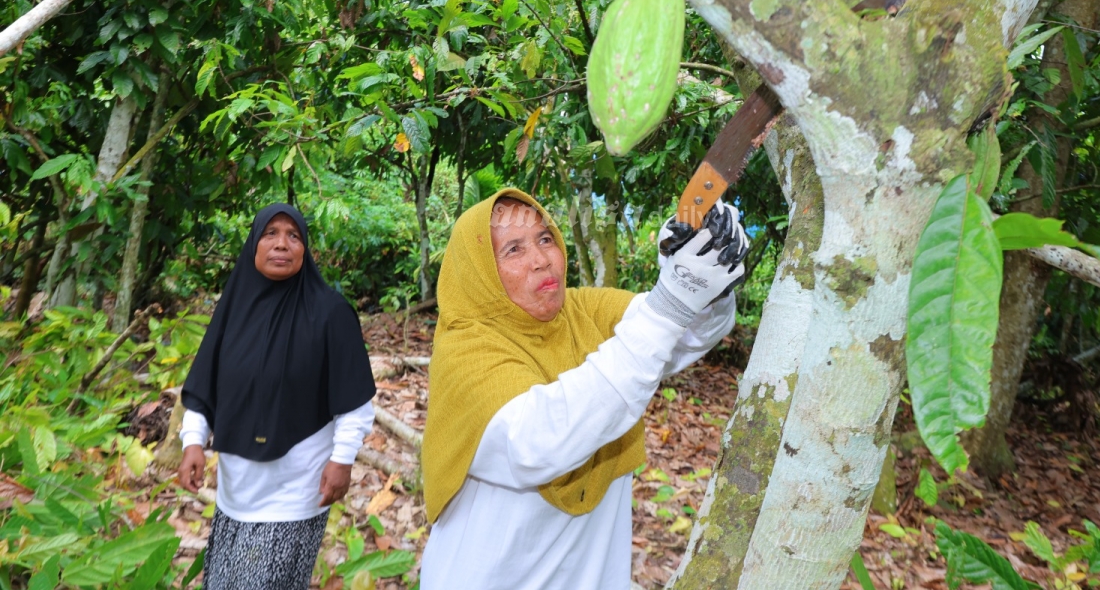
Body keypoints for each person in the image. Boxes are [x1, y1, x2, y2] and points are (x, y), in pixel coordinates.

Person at [420, 188, 748, 590]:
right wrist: (673, 300)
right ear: (480, 272)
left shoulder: (580, 312)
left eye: (545, 239)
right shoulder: (465, 348)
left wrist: (708, 283)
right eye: (513, 250)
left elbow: (678, 338)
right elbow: (542, 440)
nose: (541, 260)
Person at [177, 203, 377, 590]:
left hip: (294, 491)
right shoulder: (233, 308)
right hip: (235, 491)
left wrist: (343, 459)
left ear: (305, 250)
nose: (281, 244)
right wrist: (192, 442)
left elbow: (355, 401)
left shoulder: (330, 313)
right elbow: (205, 384)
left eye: (293, 236)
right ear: (254, 244)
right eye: (270, 234)